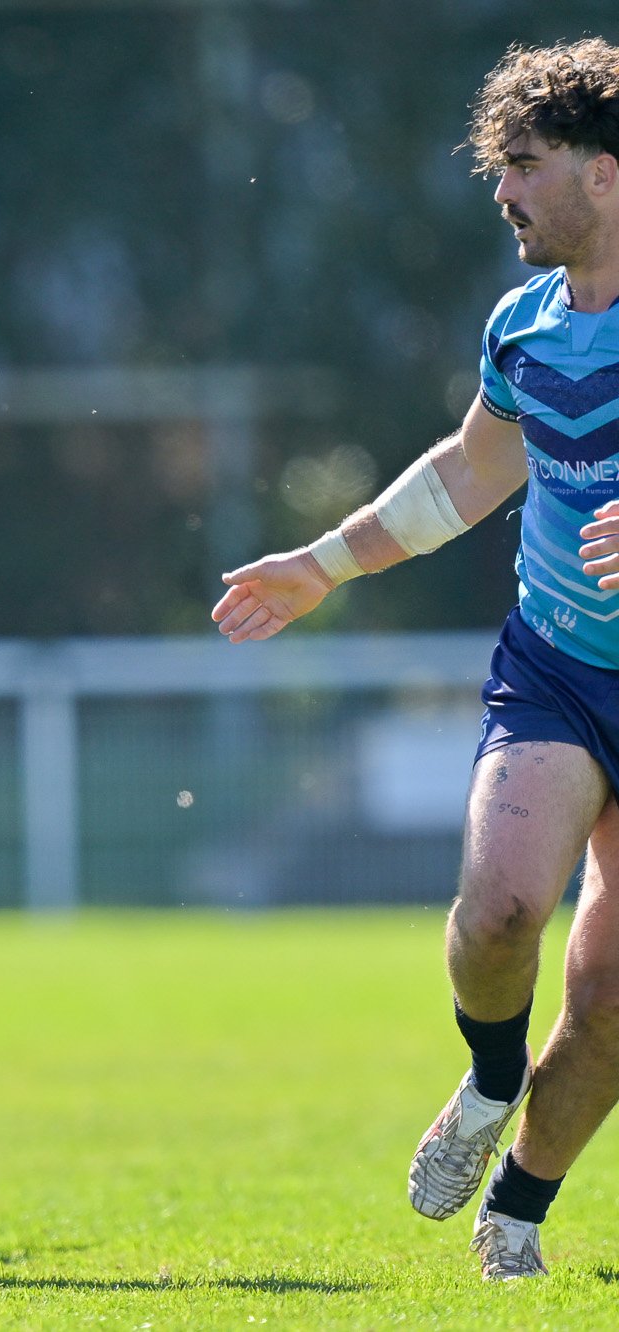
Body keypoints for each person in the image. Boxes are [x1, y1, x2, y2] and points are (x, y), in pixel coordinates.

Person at [212, 38, 619, 1283]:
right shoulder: (524, 326)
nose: (499, 192)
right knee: (497, 911)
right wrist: (319, 563)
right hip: (556, 668)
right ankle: (491, 1080)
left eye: (521, 166)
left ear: (601, 176)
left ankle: (518, 1212)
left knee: (605, 1003)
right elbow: (465, 471)